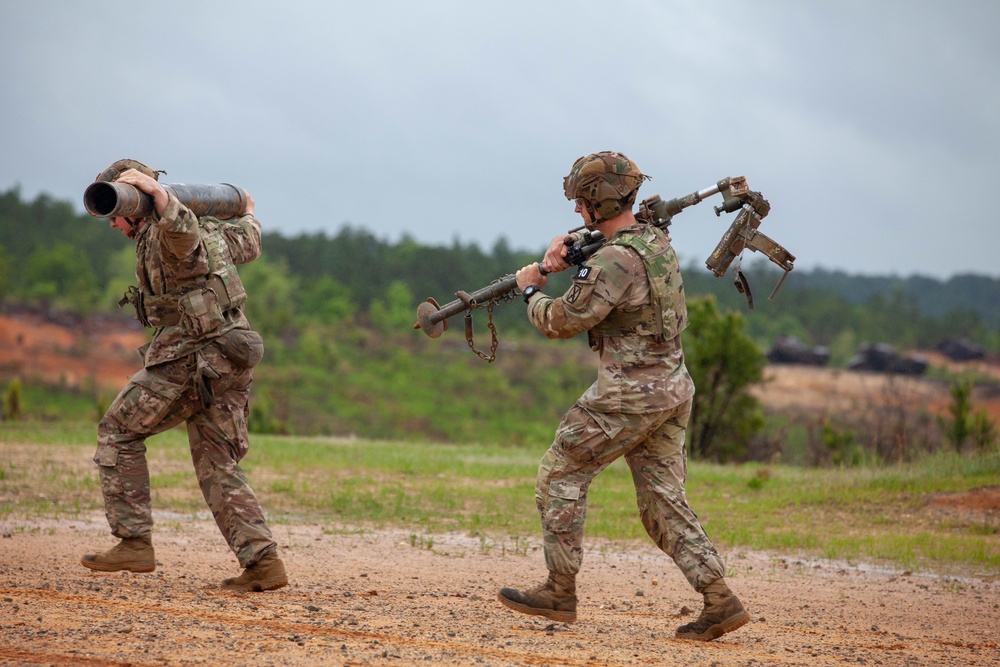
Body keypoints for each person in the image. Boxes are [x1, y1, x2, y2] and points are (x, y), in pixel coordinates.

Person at [497, 151, 749, 641]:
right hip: (673, 387)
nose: (575, 211)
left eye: (580, 203)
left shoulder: (615, 258)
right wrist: (570, 247)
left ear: (596, 202)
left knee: (561, 472)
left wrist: (531, 290)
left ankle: (559, 590)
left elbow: (563, 320)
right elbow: (608, 251)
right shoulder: (653, 239)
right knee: (661, 501)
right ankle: (720, 600)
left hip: (629, 394)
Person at [80, 159, 287, 593]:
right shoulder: (210, 228)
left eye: (115, 215)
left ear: (134, 206)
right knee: (217, 461)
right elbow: (248, 242)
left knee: (117, 430)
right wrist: (247, 210)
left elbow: (182, 233)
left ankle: (134, 541)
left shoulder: (169, 227)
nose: (114, 225)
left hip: (196, 356)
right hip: (232, 349)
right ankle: (263, 563)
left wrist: (160, 198)